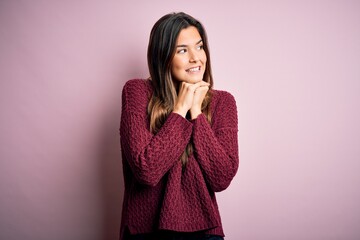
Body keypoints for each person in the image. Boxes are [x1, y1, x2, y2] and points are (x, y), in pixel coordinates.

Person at [119, 12, 239, 240]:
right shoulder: (136, 92)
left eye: (199, 47)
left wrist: (197, 114)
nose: (196, 58)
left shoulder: (223, 102)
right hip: (145, 231)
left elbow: (221, 177)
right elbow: (146, 170)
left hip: (205, 233)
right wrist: (180, 109)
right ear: (163, 57)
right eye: (182, 50)